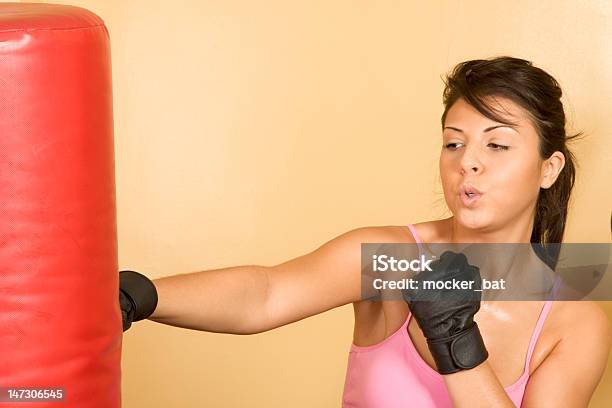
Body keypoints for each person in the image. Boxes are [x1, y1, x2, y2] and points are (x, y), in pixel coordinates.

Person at [119, 56, 612, 407]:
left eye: (497, 145)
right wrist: (142, 295)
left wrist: (457, 345)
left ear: (549, 169)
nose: (469, 164)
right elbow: (266, 295)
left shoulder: (574, 325)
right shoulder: (392, 258)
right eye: (453, 144)